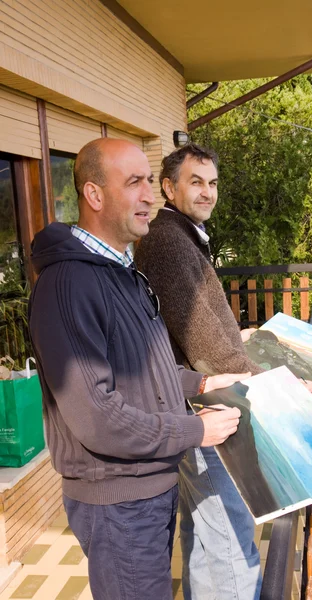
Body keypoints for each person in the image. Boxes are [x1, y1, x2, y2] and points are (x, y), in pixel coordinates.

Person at [28, 138, 248, 600]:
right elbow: (97, 419)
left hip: (145, 488)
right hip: (117, 502)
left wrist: (205, 381)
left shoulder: (122, 272)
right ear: (94, 195)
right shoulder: (69, 285)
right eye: (134, 183)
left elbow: (146, 367)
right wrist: (194, 430)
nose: (150, 195)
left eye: (149, 180)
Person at [135, 143, 312, 600]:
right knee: (232, 549)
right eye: (195, 182)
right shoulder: (167, 242)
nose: (207, 192)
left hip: (187, 409)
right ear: (168, 187)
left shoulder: (180, 235)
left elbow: (197, 323)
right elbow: (208, 351)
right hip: (205, 413)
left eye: (212, 182)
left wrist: (239, 336)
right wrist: (280, 383)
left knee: (202, 533)